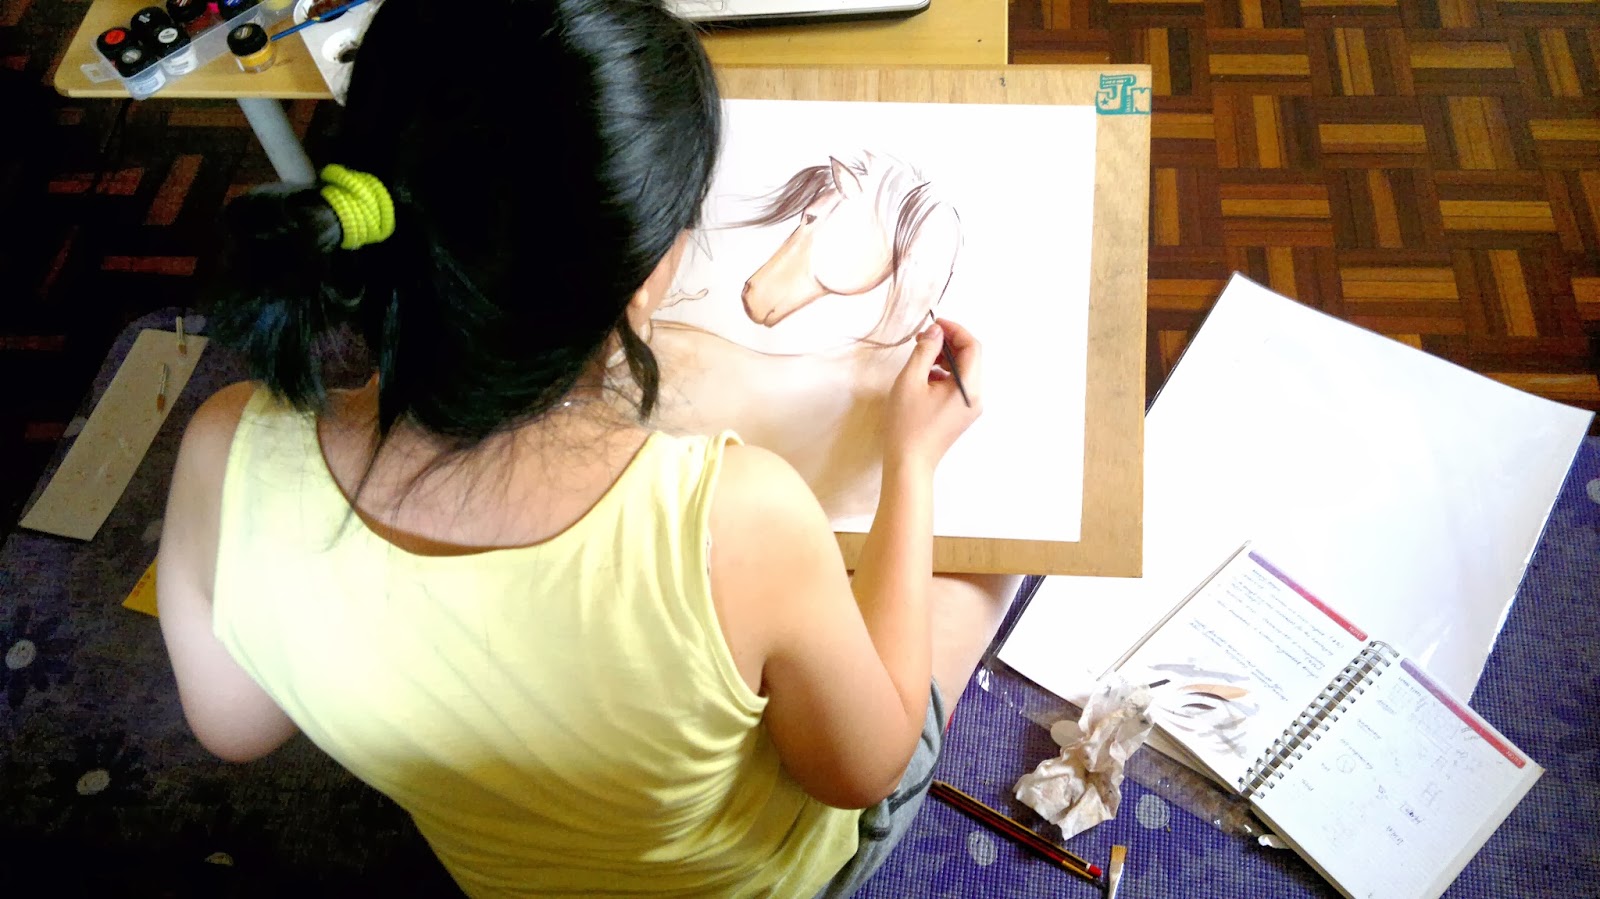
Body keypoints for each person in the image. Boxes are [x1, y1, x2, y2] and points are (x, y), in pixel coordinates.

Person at [157, 0, 1021, 895]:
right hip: (745, 879)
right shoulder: (741, 516)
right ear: (653, 270)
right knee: (987, 567)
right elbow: (861, 770)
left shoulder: (223, 450)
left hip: (500, 873)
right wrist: (911, 467)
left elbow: (233, 725)